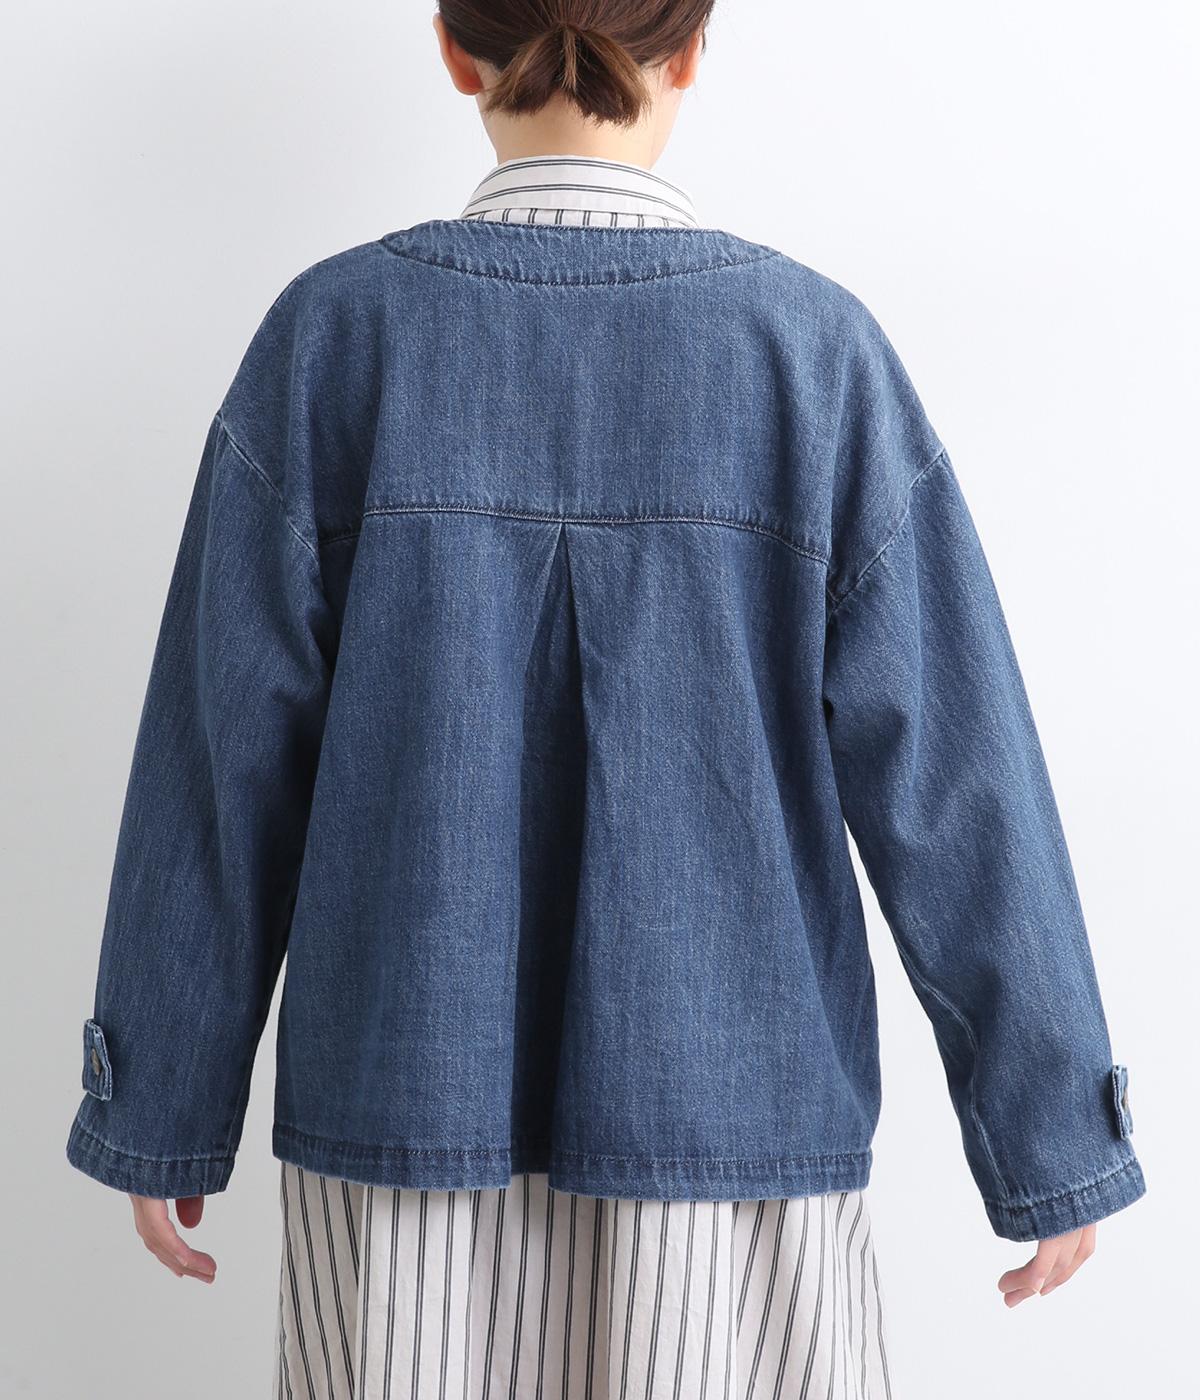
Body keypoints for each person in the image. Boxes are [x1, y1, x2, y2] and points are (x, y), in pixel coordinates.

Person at [65, 2, 1146, 1396]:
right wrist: (1054, 1130)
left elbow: (222, 768)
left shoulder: (334, 340)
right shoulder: (811, 355)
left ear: (453, 47)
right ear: (690, 49)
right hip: (736, 1145)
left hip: (399, 1140)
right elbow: (955, 774)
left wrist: (162, 1092)